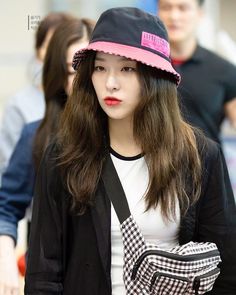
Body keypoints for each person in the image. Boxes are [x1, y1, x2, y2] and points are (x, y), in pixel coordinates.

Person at [24, 7, 236, 295]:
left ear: (155, 76)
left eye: (127, 68)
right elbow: (43, 274)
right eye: (100, 67)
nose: (110, 83)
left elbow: (225, 270)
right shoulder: (65, 156)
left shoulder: (198, 156)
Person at [0, 17, 95, 295]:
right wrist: (6, 259)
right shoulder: (38, 136)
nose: (86, 78)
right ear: (57, 74)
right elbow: (6, 205)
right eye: (72, 69)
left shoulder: (127, 134)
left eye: (94, 67)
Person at [0, 12, 72, 183]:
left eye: (64, 46)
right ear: (38, 51)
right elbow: (10, 171)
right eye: (50, 46)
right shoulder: (19, 105)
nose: (58, 54)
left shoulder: (85, 100)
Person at [158, 0, 236, 144]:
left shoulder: (224, 70)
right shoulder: (146, 66)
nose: (174, 16)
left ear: (200, 14)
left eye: (183, 8)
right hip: (153, 164)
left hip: (208, 164)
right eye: (166, 7)